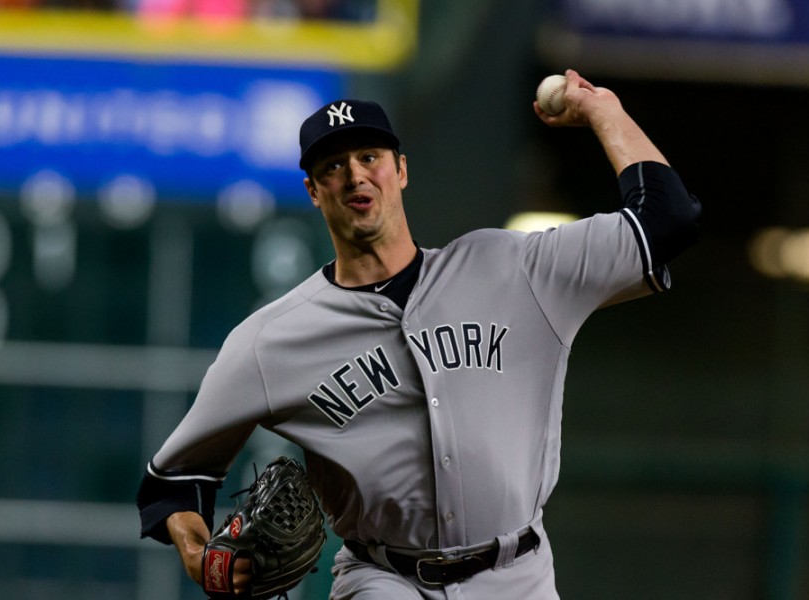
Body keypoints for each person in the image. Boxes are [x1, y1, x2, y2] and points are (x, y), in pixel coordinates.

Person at [136, 69, 701, 599]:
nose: (355, 174)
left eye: (369, 156)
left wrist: (604, 110)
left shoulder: (516, 268)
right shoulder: (270, 339)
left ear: (400, 169)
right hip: (382, 579)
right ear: (314, 190)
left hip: (520, 576)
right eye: (334, 166)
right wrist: (198, 552)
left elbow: (669, 219)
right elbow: (173, 482)